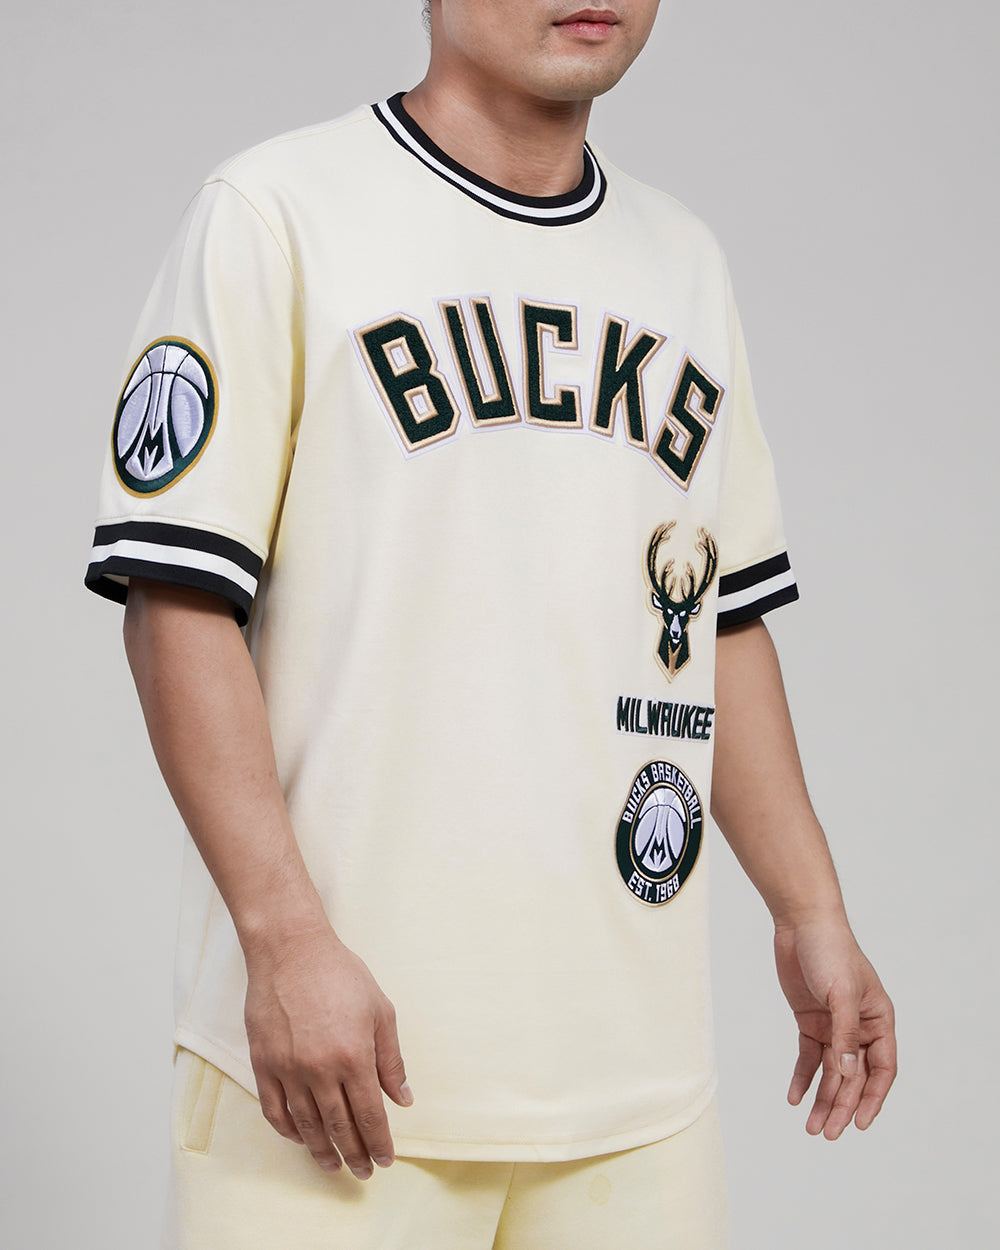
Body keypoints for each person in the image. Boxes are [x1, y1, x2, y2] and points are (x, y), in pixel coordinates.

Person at [85, 2, 896, 1246]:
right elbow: (177, 597)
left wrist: (812, 907)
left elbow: (716, 618)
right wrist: (283, 940)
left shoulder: (681, 259)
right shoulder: (276, 211)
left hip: (634, 1083)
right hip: (339, 1068)